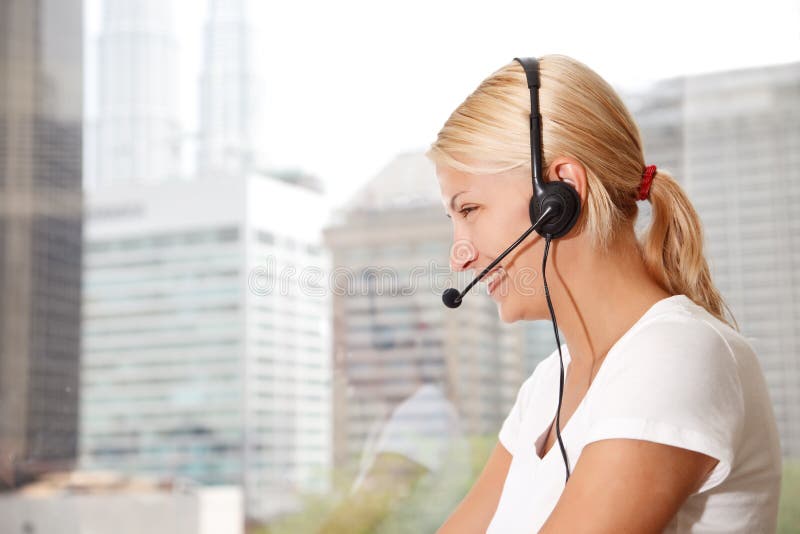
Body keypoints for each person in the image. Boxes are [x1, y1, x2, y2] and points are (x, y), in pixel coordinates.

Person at [427, 55, 782, 533]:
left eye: (469, 208)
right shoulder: (546, 385)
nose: (459, 256)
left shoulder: (676, 354)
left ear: (559, 196)